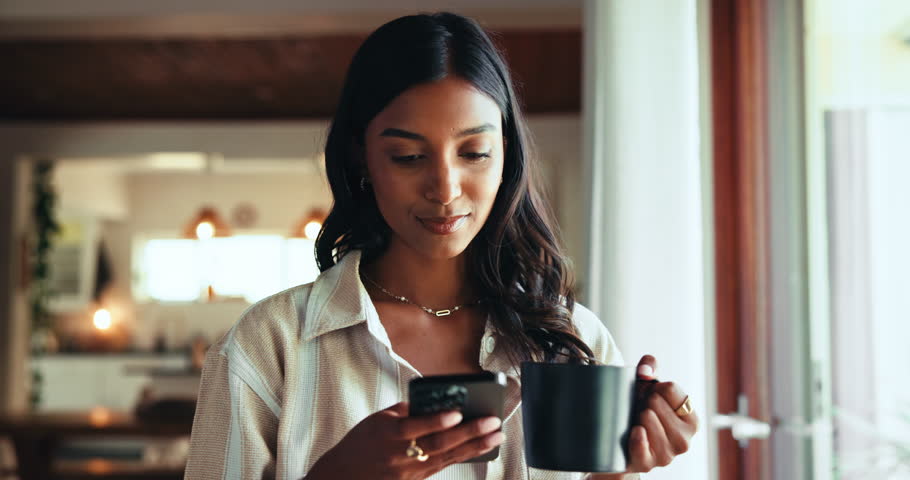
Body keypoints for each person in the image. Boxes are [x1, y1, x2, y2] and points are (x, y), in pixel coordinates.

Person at [185, 12, 698, 480]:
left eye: (474, 152)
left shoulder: (575, 341)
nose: (446, 188)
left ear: (506, 158)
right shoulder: (268, 347)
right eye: (408, 157)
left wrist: (623, 467)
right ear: (361, 159)